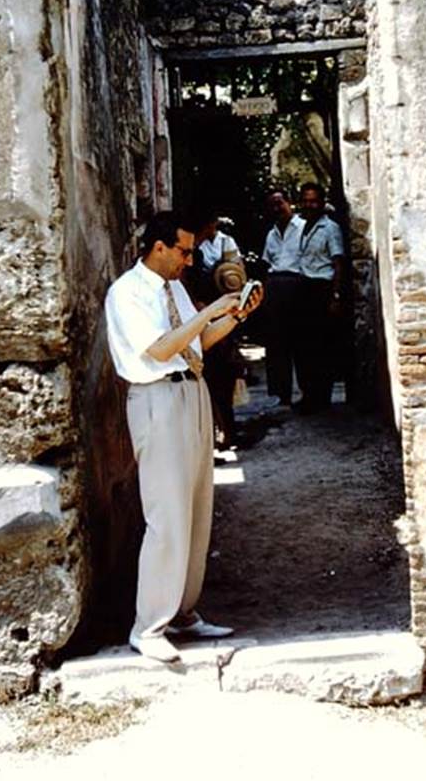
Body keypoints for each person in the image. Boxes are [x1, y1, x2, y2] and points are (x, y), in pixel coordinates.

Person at [104, 210, 263, 663]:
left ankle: (183, 612)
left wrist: (233, 316)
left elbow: (196, 342)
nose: (190, 260)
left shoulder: (174, 288)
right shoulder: (127, 293)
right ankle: (148, 625)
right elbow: (159, 348)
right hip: (156, 400)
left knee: (196, 509)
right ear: (159, 248)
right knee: (166, 514)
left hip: (191, 392)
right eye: (184, 251)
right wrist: (209, 310)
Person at [186, 209, 245, 450]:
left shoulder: (215, 246)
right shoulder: (195, 257)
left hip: (212, 317)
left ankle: (224, 431)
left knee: (221, 378)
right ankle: (221, 433)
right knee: (217, 379)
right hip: (205, 319)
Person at [295, 182, 345, 414]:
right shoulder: (303, 227)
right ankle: (308, 395)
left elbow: (338, 263)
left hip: (322, 288)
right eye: (305, 200)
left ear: (322, 203)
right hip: (304, 288)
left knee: (321, 345)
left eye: (313, 200)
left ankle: (321, 398)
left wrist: (335, 295)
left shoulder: (330, 228)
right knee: (304, 345)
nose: (309, 205)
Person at [260, 189, 304, 406]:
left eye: (280, 203)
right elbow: (268, 263)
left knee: (300, 340)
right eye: (273, 205)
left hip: (297, 283)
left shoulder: (304, 228)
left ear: (290, 204)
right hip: (275, 284)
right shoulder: (271, 233)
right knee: (277, 342)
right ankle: (281, 393)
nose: (277, 209)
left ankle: (306, 391)